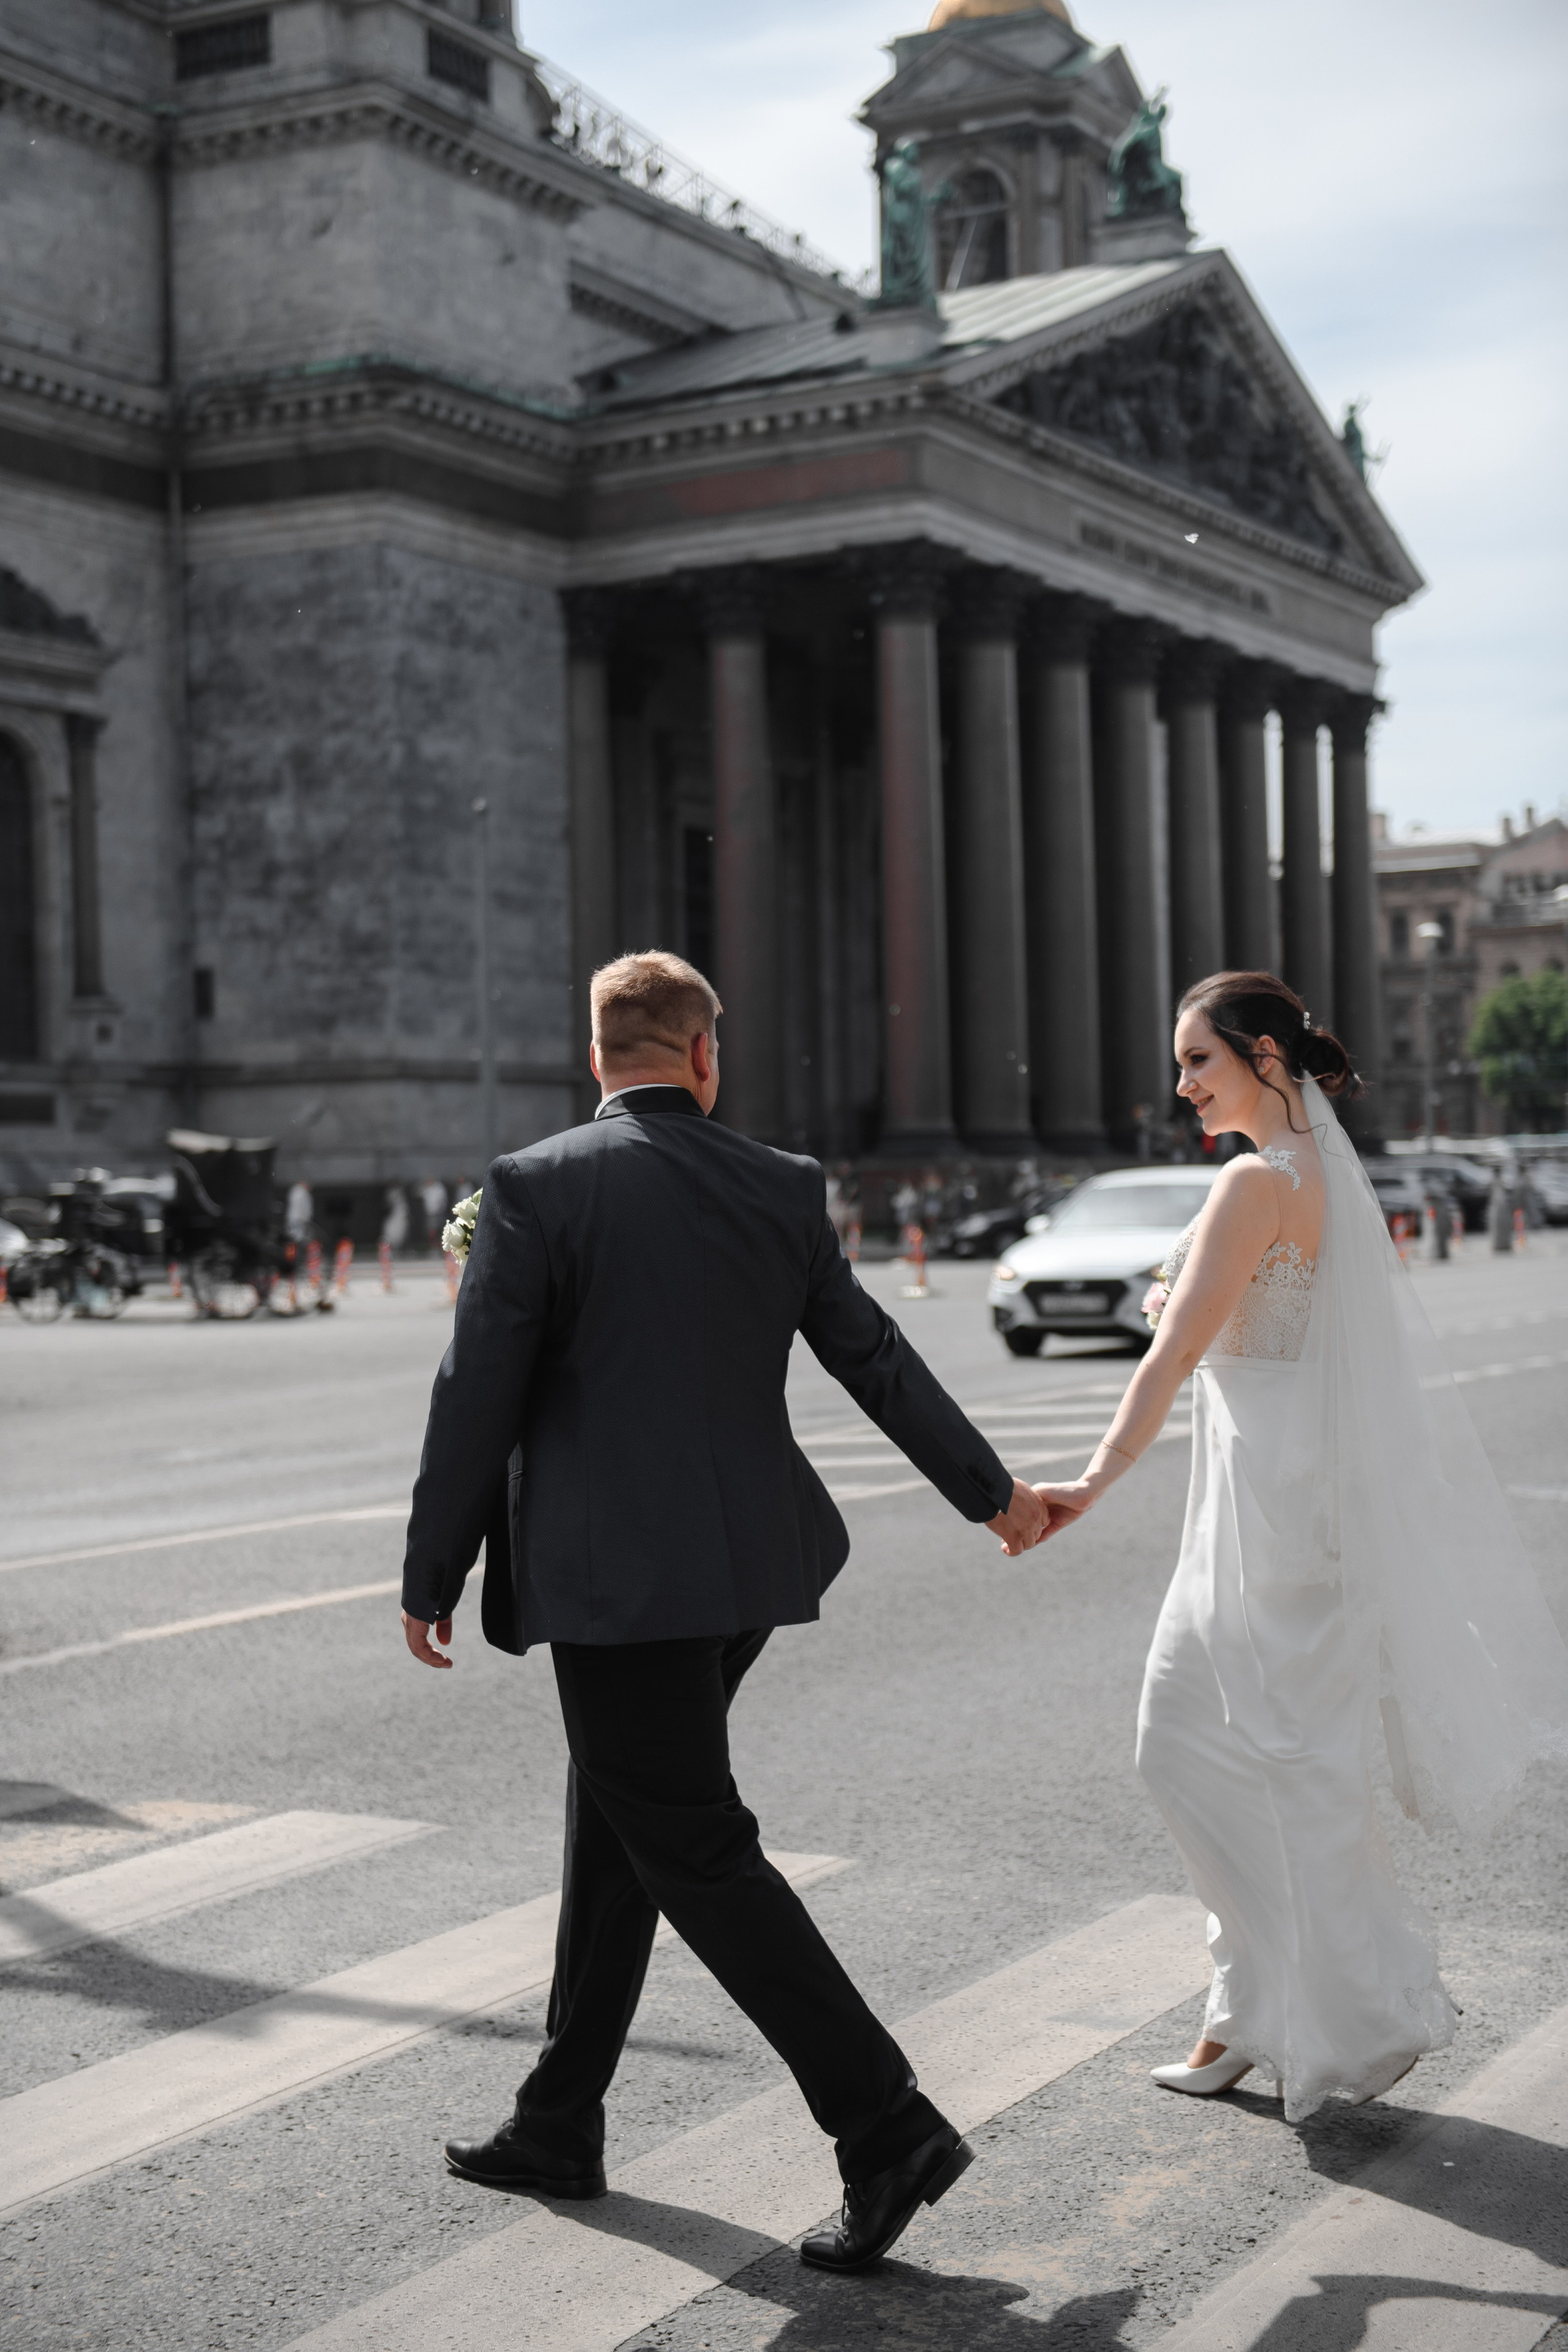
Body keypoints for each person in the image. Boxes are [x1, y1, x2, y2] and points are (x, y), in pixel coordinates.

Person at [400, 949, 1047, 2268]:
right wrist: (990, 1495)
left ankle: (886, 2127)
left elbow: (476, 1390)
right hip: (741, 1570)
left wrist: (432, 1573)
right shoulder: (780, 1184)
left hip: (612, 1586)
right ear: (706, 1055)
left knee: (689, 1845)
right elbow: (872, 1353)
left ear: (596, 1058)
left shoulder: (533, 1186)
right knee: (623, 1818)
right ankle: (559, 2117)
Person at [1036, 971, 1568, 2122]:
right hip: (1304, 1499)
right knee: (1283, 1764)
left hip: (1263, 1513)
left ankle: (1326, 2012)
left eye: (1199, 1062)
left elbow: (1173, 1355)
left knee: (1194, 1748)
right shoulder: (1326, 1173)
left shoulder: (1252, 1183)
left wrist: (1091, 1481)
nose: (1181, 1085)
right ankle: (1256, 2011)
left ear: (1267, 1058)